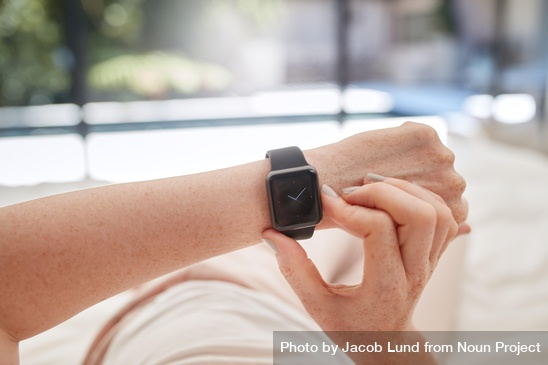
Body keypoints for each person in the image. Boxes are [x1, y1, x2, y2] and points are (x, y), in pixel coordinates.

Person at [0, 122, 468, 365]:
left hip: (180, 299)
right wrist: (388, 337)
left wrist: (319, 179)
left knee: (416, 214)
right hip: (300, 315)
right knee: (444, 223)